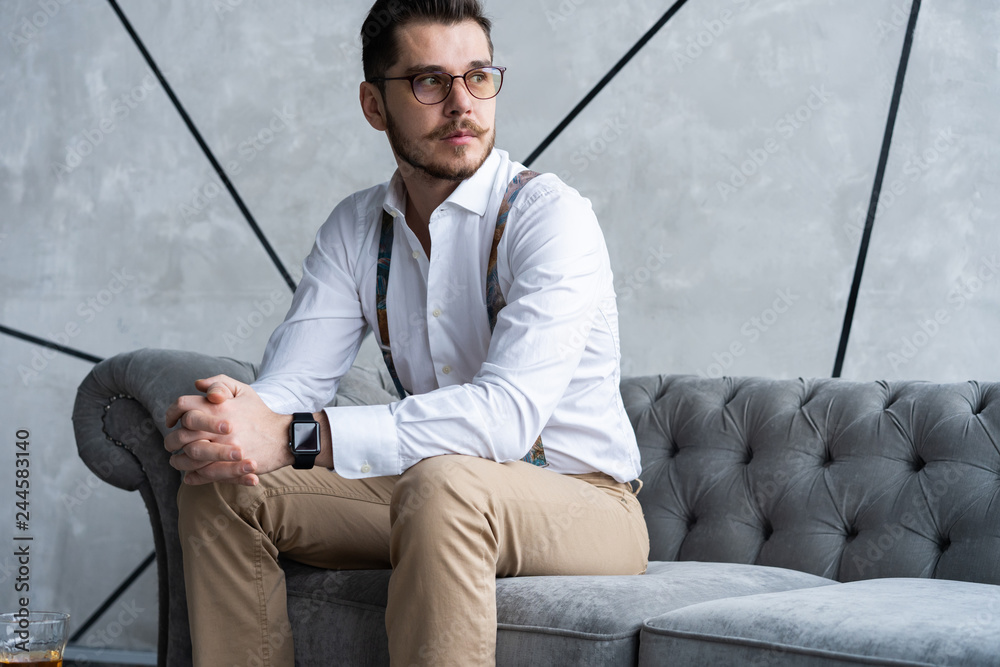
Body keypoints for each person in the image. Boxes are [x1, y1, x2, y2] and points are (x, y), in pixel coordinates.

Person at [163, 1, 649, 665]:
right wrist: (233, 422)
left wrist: (295, 434)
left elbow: (505, 418)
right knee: (225, 481)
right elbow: (294, 384)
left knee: (442, 485)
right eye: (429, 81)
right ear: (373, 104)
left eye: (478, 76)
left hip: (586, 503)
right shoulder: (357, 227)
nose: (461, 104)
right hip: (435, 491)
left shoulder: (549, 217)